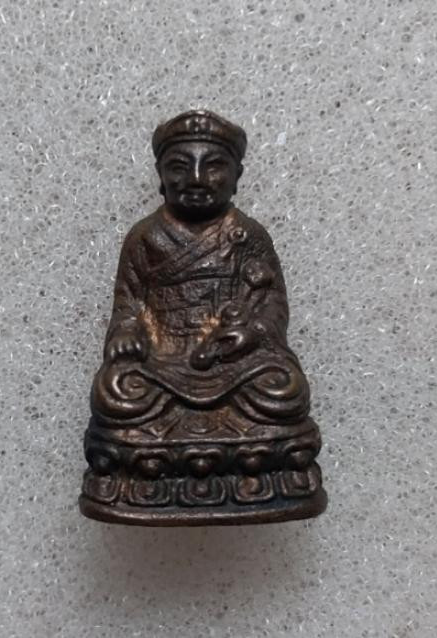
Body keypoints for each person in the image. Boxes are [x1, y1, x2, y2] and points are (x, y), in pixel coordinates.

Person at [81, 111, 326, 524]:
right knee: (115, 394)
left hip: (232, 365)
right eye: (180, 167)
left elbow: (272, 304)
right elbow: (129, 302)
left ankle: (182, 471)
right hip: (162, 364)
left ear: (237, 175)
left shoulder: (248, 236)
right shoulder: (145, 237)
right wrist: (127, 332)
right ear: (161, 176)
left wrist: (252, 335)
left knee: (285, 391)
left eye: (213, 166)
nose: (196, 179)